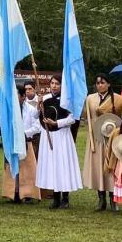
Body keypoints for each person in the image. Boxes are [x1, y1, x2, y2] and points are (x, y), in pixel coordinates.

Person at [82, 73, 122, 211]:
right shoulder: (90, 99)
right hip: (96, 138)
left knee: (112, 167)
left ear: (108, 84)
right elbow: (87, 117)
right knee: (98, 168)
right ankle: (101, 199)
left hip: (112, 139)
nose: (100, 85)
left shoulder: (118, 100)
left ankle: (113, 199)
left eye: (102, 82)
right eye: (97, 83)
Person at [36, 75, 83, 209]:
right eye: (52, 83)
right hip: (49, 136)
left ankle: (65, 197)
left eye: (57, 83)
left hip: (62, 135)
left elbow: (73, 118)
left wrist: (57, 123)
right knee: (53, 165)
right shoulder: (44, 98)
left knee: (63, 164)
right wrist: (39, 106)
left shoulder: (67, 100)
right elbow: (36, 116)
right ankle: (55, 197)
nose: (54, 86)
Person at [2, 85, 41, 203]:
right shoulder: (9, 110)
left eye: (16, 95)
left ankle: (27, 194)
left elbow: (37, 127)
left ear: (23, 96)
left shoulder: (30, 109)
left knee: (27, 170)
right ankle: (13, 193)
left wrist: (23, 134)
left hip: (25, 142)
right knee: (12, 167)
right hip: (12, 143)